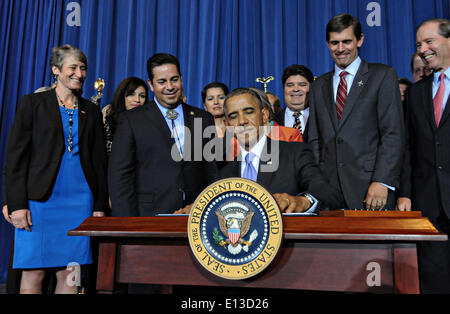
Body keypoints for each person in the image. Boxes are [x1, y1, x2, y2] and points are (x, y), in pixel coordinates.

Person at [4, 44, 108, 294]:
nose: (79, 73)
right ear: (56, 70)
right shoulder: (32, 103)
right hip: (39, 203)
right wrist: (16, 203)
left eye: (83, 68)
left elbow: (99, 163)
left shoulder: (91, 111)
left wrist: (100, 206)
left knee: (71, 274)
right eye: (72, 67)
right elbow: (16, 158)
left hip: (80, 202)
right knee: (33, 273)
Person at [307, 13, 405, 210]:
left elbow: (393, 134)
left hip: (371, 190)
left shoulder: (383, 76)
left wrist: (382, 181)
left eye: (346, 41)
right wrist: (318, 184)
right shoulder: (318, 85)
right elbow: (315, 139)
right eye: (335, 43)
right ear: (327, 44)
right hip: (329, 195)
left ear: (360, 40)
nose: (340, 49)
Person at [108, 53, 218, 216]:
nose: (170, 86)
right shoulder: (131, 120)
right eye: (162, 82)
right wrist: (126, 225)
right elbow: (120, 178)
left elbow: (211, 173)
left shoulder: (203, 118)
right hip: (148, 217)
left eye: (174, 79)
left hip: (195, 218)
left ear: (181, 79)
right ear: (151, 85)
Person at [219, 87, 343, 213]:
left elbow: (328, 195)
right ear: (227, 124)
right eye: (233, 116)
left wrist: (303, 201)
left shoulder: (294, 153)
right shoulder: (225, 174)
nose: (242, 121)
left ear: (264, 115)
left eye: (249, 112)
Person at [403, 18, 450, 293]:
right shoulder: (417, 93)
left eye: (428, 41)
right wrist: (407, 194)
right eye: (418, 44)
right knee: (434, 281)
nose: (422, 49)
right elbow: (409, 148)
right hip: (429, 205)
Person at [103, 77, 149, 156]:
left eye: (142, 96)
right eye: (131, 94)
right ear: (122, 96)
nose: (137, 99)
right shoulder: (108, 118)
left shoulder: (148, 123)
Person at [273, 64, 314, 141]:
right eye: (290, 85)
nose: (295, 89)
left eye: (302, 84)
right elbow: (270, 153)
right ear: (284, 88)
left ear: (311, 88)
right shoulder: (272, 121)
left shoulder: (323, 118)